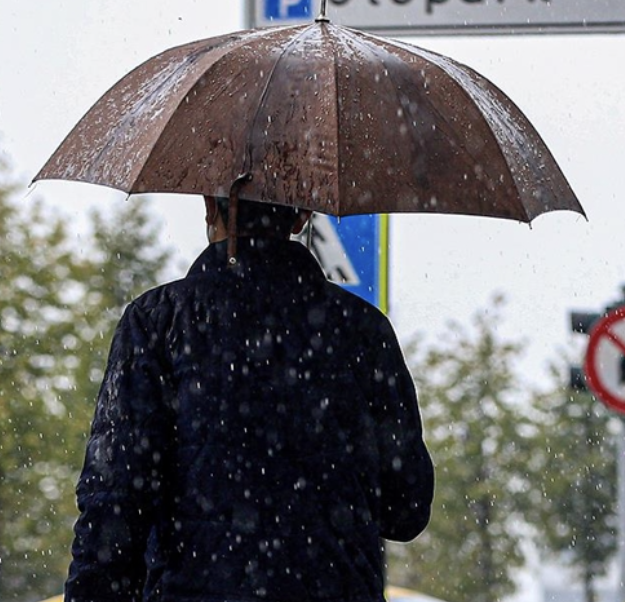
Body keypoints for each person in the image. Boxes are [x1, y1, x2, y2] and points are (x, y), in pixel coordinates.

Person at [65, 196, 434, 602]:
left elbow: (115, 503)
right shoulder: (362, 331)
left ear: (210, 207)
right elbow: (407, 509)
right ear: (303, 216)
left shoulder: (158, 322)